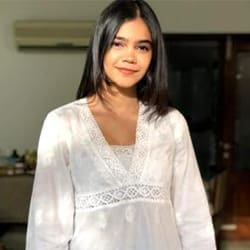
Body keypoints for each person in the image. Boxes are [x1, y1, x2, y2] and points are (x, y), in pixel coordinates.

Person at [26, 0, 217, 249]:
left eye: (142, 47)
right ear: (100, 47)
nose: (130, 56)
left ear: (153, 55)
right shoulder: (63, 124)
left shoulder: (170, 124)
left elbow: (194, 220)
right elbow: (47, 231)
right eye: (118, 43)